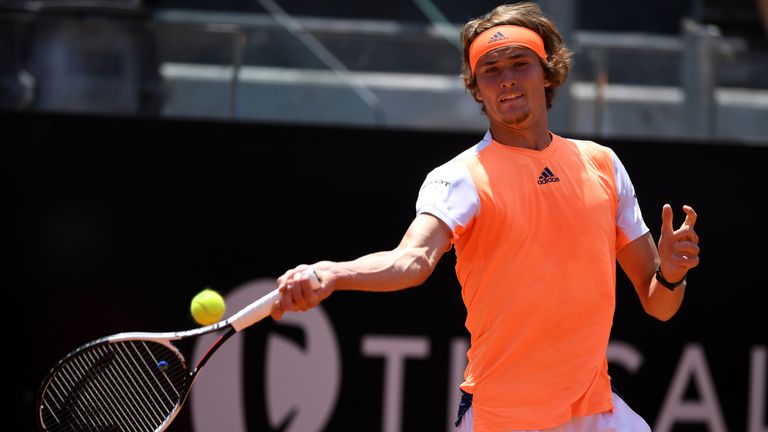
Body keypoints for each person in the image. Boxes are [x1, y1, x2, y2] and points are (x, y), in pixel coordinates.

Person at [270, 2, 700, 431]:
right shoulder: (459, 178)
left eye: (519, 63)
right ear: (476, 88)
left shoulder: (602, 164)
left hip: (596, 412)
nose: (507, 79)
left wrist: (672, 274)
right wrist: (333, 272)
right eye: (490, 70)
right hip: (503, 419)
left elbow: (659, 305)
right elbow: (412, 260)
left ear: (548, 72)